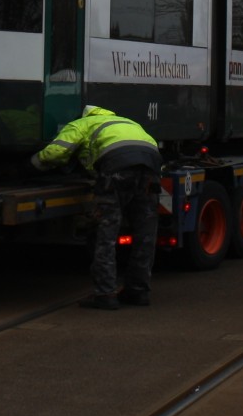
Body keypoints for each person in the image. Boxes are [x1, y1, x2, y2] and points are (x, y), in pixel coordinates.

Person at [31, 105, 162, 309]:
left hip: (116, 170)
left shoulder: (81, 123)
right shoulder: (126, 121)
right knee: (145, 235)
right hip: (150, 167)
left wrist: (33, 164)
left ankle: (105, 294)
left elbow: (56, 152)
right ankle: (138, 292)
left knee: (106, 233)